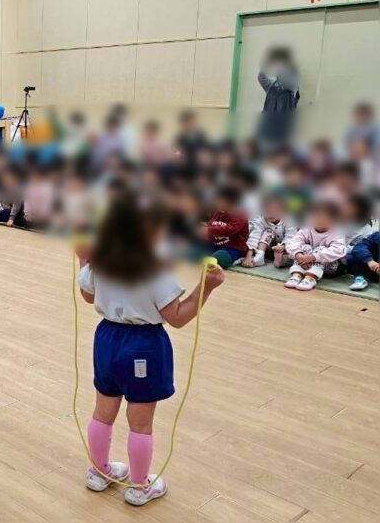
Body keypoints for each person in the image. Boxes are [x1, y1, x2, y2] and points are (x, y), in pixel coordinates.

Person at [77, 194, 224, 506]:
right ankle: (140, 486)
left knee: (102, 411)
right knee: (140, 422)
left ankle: (98, 472)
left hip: (106, 339)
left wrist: (84, 260)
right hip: (142, 345)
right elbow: (178, 317)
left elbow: (88, 296)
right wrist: (206, 286)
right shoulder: (154, 271)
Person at [284, 200, 347, 291]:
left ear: (334, 219)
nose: (320, 219)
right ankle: (297, 274)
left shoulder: (337, 232)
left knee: (320, 249)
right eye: (317, 215)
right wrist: (299, 255)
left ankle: (310, 278)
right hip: (305, 262)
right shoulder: (307, 228)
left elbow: (338, 250)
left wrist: (313, 257)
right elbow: (294, 241)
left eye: (326, 216)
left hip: (330, 267)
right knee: (305, 247)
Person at [256, 46, 299, 152]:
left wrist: (282, 65)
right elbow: (261, 77)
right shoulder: (271, 85)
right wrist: (267, 64)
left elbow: (286, 80)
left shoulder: (293, 88)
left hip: (282, 131)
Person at [242, 194, 296, 268]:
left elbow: (291, 237)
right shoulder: (260, 221)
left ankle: (281, 260)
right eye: (268, 210)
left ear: (283, 211)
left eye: (275, 211)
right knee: (268, 232)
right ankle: (259, 256)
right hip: (267, 249)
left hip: (284, 249)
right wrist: (249, 256)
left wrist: (283, 247)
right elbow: (254, 237)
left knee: (292, 255)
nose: (271, 214)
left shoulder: (289, 220)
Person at [202, 185, 249, 268]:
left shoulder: (240, 215)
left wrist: (209, 230)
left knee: (219, 258)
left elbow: (230, 229)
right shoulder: (219, 212)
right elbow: (212, 223)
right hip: (215, 245)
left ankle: (236, 259)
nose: (216, 203)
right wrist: (205, 227)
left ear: (230, 202)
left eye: (219, 200)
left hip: (232, 248)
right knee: (195, 252)